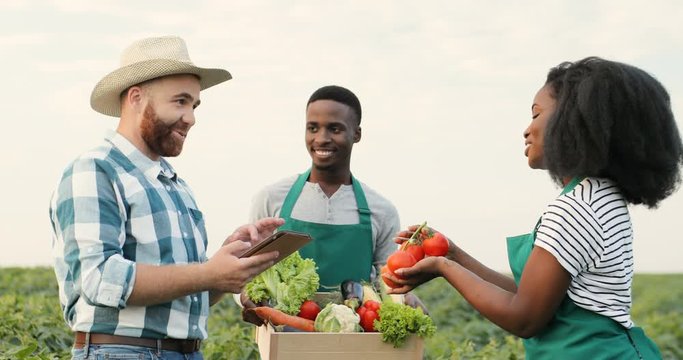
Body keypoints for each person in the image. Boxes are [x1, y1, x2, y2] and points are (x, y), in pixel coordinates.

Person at [387, 57, 682, 359]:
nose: (526, 130)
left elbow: (524, 316)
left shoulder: (576, 209)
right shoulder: (599, 197)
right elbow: (530, 295)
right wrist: (454, 256)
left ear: (574, 120)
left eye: (537, 114)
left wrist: (442, 267)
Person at [49, 35, 283, 359]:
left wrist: (228, 263)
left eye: (194, 105)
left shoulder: (175, 185)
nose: (191, 117)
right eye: (180, 101)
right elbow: (99, 278)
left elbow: (188, 292)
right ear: (136, 98)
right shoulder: (95, 170)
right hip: (121, 352)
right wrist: (207, 273)